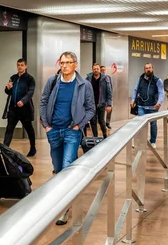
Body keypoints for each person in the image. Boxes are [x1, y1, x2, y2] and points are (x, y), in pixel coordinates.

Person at [40, 51, 95, 224]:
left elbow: (91, 108)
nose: (64, 66)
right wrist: (47, 126)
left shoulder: (84, 85)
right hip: (54, 130)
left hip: (72, 131)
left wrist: (79, 125)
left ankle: (64, 209)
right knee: (57, 170)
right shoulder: (52, 82)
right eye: (62, 63)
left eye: (68, 63)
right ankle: (61, 201)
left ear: (75, 64)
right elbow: (43, 102)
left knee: (66, 169)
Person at [3, 58, 36, 156]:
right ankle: (5, 149)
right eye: (18, 65)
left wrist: (23, 101)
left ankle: (33, 148)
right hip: (13, 109)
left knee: (29, 129)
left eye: (22, 65)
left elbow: (31, 92)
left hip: (25, 110)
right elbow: (8, 92)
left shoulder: (30, 79)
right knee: (9, 129)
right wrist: (7, 88)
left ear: (26, 66)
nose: (20, 67)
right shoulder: (13, 77)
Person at [131, 63, 164, 148]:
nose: (148, 69)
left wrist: (159, 103)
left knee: (153, 124)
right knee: (140, 124)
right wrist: (132, 100)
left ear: (152, 69)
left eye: (149, 68)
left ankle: (152, 141)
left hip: (153, 107)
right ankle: (140, 141)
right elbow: (135, 90)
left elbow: (161, 93)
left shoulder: (158, 80)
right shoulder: (140, 79)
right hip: (141, 106)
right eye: (146, 68)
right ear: (144, 70)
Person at [86, 63, 113, 138]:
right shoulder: (88, 79)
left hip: (102, 103)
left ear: (99, 70)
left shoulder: (105, 78)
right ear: (92, 70)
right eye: (94, 69)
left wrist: (109, 104)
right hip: (92, 104)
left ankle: (105, 135)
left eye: (97, 69)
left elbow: (109, 92)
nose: (96, 70)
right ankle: (95, 137)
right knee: (93, 121)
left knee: (101, 121)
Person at [101, 65, 113, 130]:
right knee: (102, 112)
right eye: (102, 70)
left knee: (110, 110)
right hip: (101, 98)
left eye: (104, 70)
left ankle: (107, 123)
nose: (103, 71)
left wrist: (110, 98)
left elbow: (110, 88)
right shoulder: (99, 78)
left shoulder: (108, 78)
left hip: (107, 97)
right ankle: (102, 124)